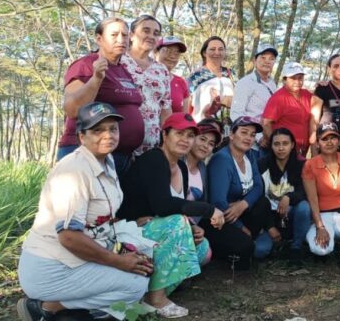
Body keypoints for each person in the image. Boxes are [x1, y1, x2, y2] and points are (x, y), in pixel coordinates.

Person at [18, 103, 149, 321]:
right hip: (51, 268)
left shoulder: (107, 162)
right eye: (97, 130)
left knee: (144, 260)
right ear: (81, 137)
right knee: (136, 284)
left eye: (113, 128)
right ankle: (48, 308)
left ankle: (77, 313)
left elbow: (101, 216)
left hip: (77, 258)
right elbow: (69, 236)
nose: (108, 135)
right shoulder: (74, 170)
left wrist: (123, 247)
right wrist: (118, 261)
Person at [118, 112, 225, 317]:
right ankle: (156, 298)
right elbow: (164, 205)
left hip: (156, 228)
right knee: (176, 223)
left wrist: (192, 227)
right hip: (130, 230)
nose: (185, 140)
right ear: (165, 135)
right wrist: (209, 209)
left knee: (202, 247)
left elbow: (175, 207)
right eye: (179, 133)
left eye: (190, 136)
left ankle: (144, 294)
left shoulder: (182, 167)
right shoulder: (154, 159)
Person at [58, 17, 143, 176]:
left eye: (125, 35)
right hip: (86, 152)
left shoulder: (124, 70)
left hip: (120, 157)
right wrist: (96, 78)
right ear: (99, 38)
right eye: (114, 35)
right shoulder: (85, 65)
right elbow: (72, 109)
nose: (121, 40)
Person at [205, 116, 272, 269]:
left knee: (263, 203)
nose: (249, 138)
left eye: (252, 134)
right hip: (221, 219)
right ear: (232, 135)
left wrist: (243, 204)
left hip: (239, 211)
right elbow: (219, 203)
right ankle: (242, 245)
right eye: (244, 132)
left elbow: (258, 187)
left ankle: (250, 242)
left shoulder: (249, 155)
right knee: (246, 248)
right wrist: (241, 228)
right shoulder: (222, 160)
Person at [302, 122, 340, 271]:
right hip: (322, 215)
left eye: (333, 138)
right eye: (324, 139)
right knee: (321, 250)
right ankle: (322, 241)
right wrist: (320, 226)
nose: (329, 142)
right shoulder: (310, 165)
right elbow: (312, 198)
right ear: (317, 143)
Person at [254, 128, 312, 264]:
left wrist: (289, 197)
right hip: (268, 217)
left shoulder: (301, 165)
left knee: (304, 206)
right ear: (271, 146)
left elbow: (305, 191)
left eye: (285, 144)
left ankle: (296, 247)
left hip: (291, 215)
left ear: (292, 145)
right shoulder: (261, 164)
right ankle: (276, 245)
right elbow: (258, 198)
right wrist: (269, 226)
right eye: (276, 144)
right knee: (259, 251)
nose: (281, 148)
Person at [121, 15, 172, 155]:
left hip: (150, 149)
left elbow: (166, 111)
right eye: (146, 31)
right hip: (117, 146)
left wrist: (167, 146)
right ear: (131, 35)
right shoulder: (118, 61)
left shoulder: (162, 70)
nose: (151, 36)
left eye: (156, 33)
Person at [261, 62, 320, 158]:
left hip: (302, 151)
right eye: (293, 78)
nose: (297, 81)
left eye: (300, 78)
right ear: (285, 80)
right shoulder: (278, 98)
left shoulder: (306, 95)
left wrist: (322, 85)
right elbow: (266, 123)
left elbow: (320, 99)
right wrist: (277, 144)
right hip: (285, 154)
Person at [230, 43, 278, 137]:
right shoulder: (245, 83)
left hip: (269, 137)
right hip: (251, 141)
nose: (267, 61)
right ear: (255, 60)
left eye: (271, 59)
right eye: (263, 57)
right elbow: (236, 113)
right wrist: (257, 136)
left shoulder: (272, 83)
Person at [188, 36, 236, 124]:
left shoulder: (231, 74)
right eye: (212, 49)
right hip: (203, 129)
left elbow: (239, 100)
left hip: (230, 129)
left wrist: (223, 99)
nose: (217, 52)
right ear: (204, 53)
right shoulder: (195, 77)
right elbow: (187, 105)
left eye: (221, 49)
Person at [155, 35, 191, 113]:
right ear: (156, 53)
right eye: (167, 51)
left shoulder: (181, 82)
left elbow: (185, 116)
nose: (172, 56)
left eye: (176, 53)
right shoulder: (143, 76)